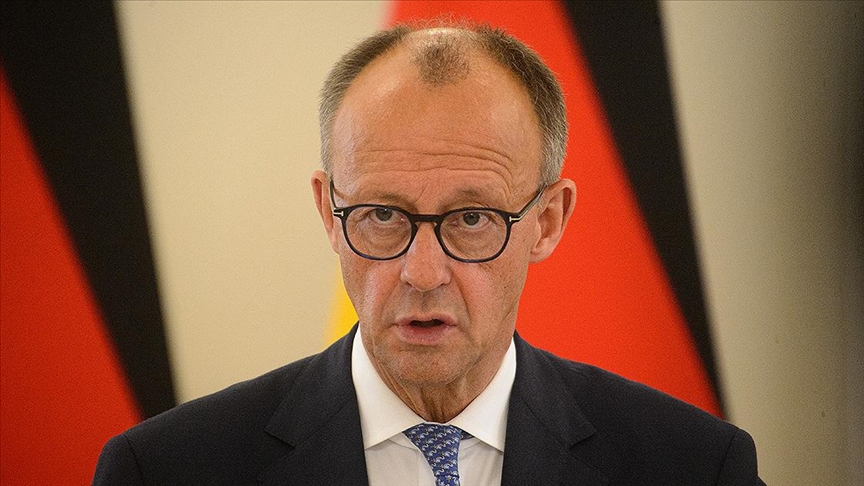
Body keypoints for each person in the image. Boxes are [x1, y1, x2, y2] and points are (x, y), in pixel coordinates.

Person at [94, 23, 764, 485]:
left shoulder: (694, 467)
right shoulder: (165, 470)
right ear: (329, 212)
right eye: (383, 216)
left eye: (471, 219)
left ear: (548, 221)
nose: (421, 273)